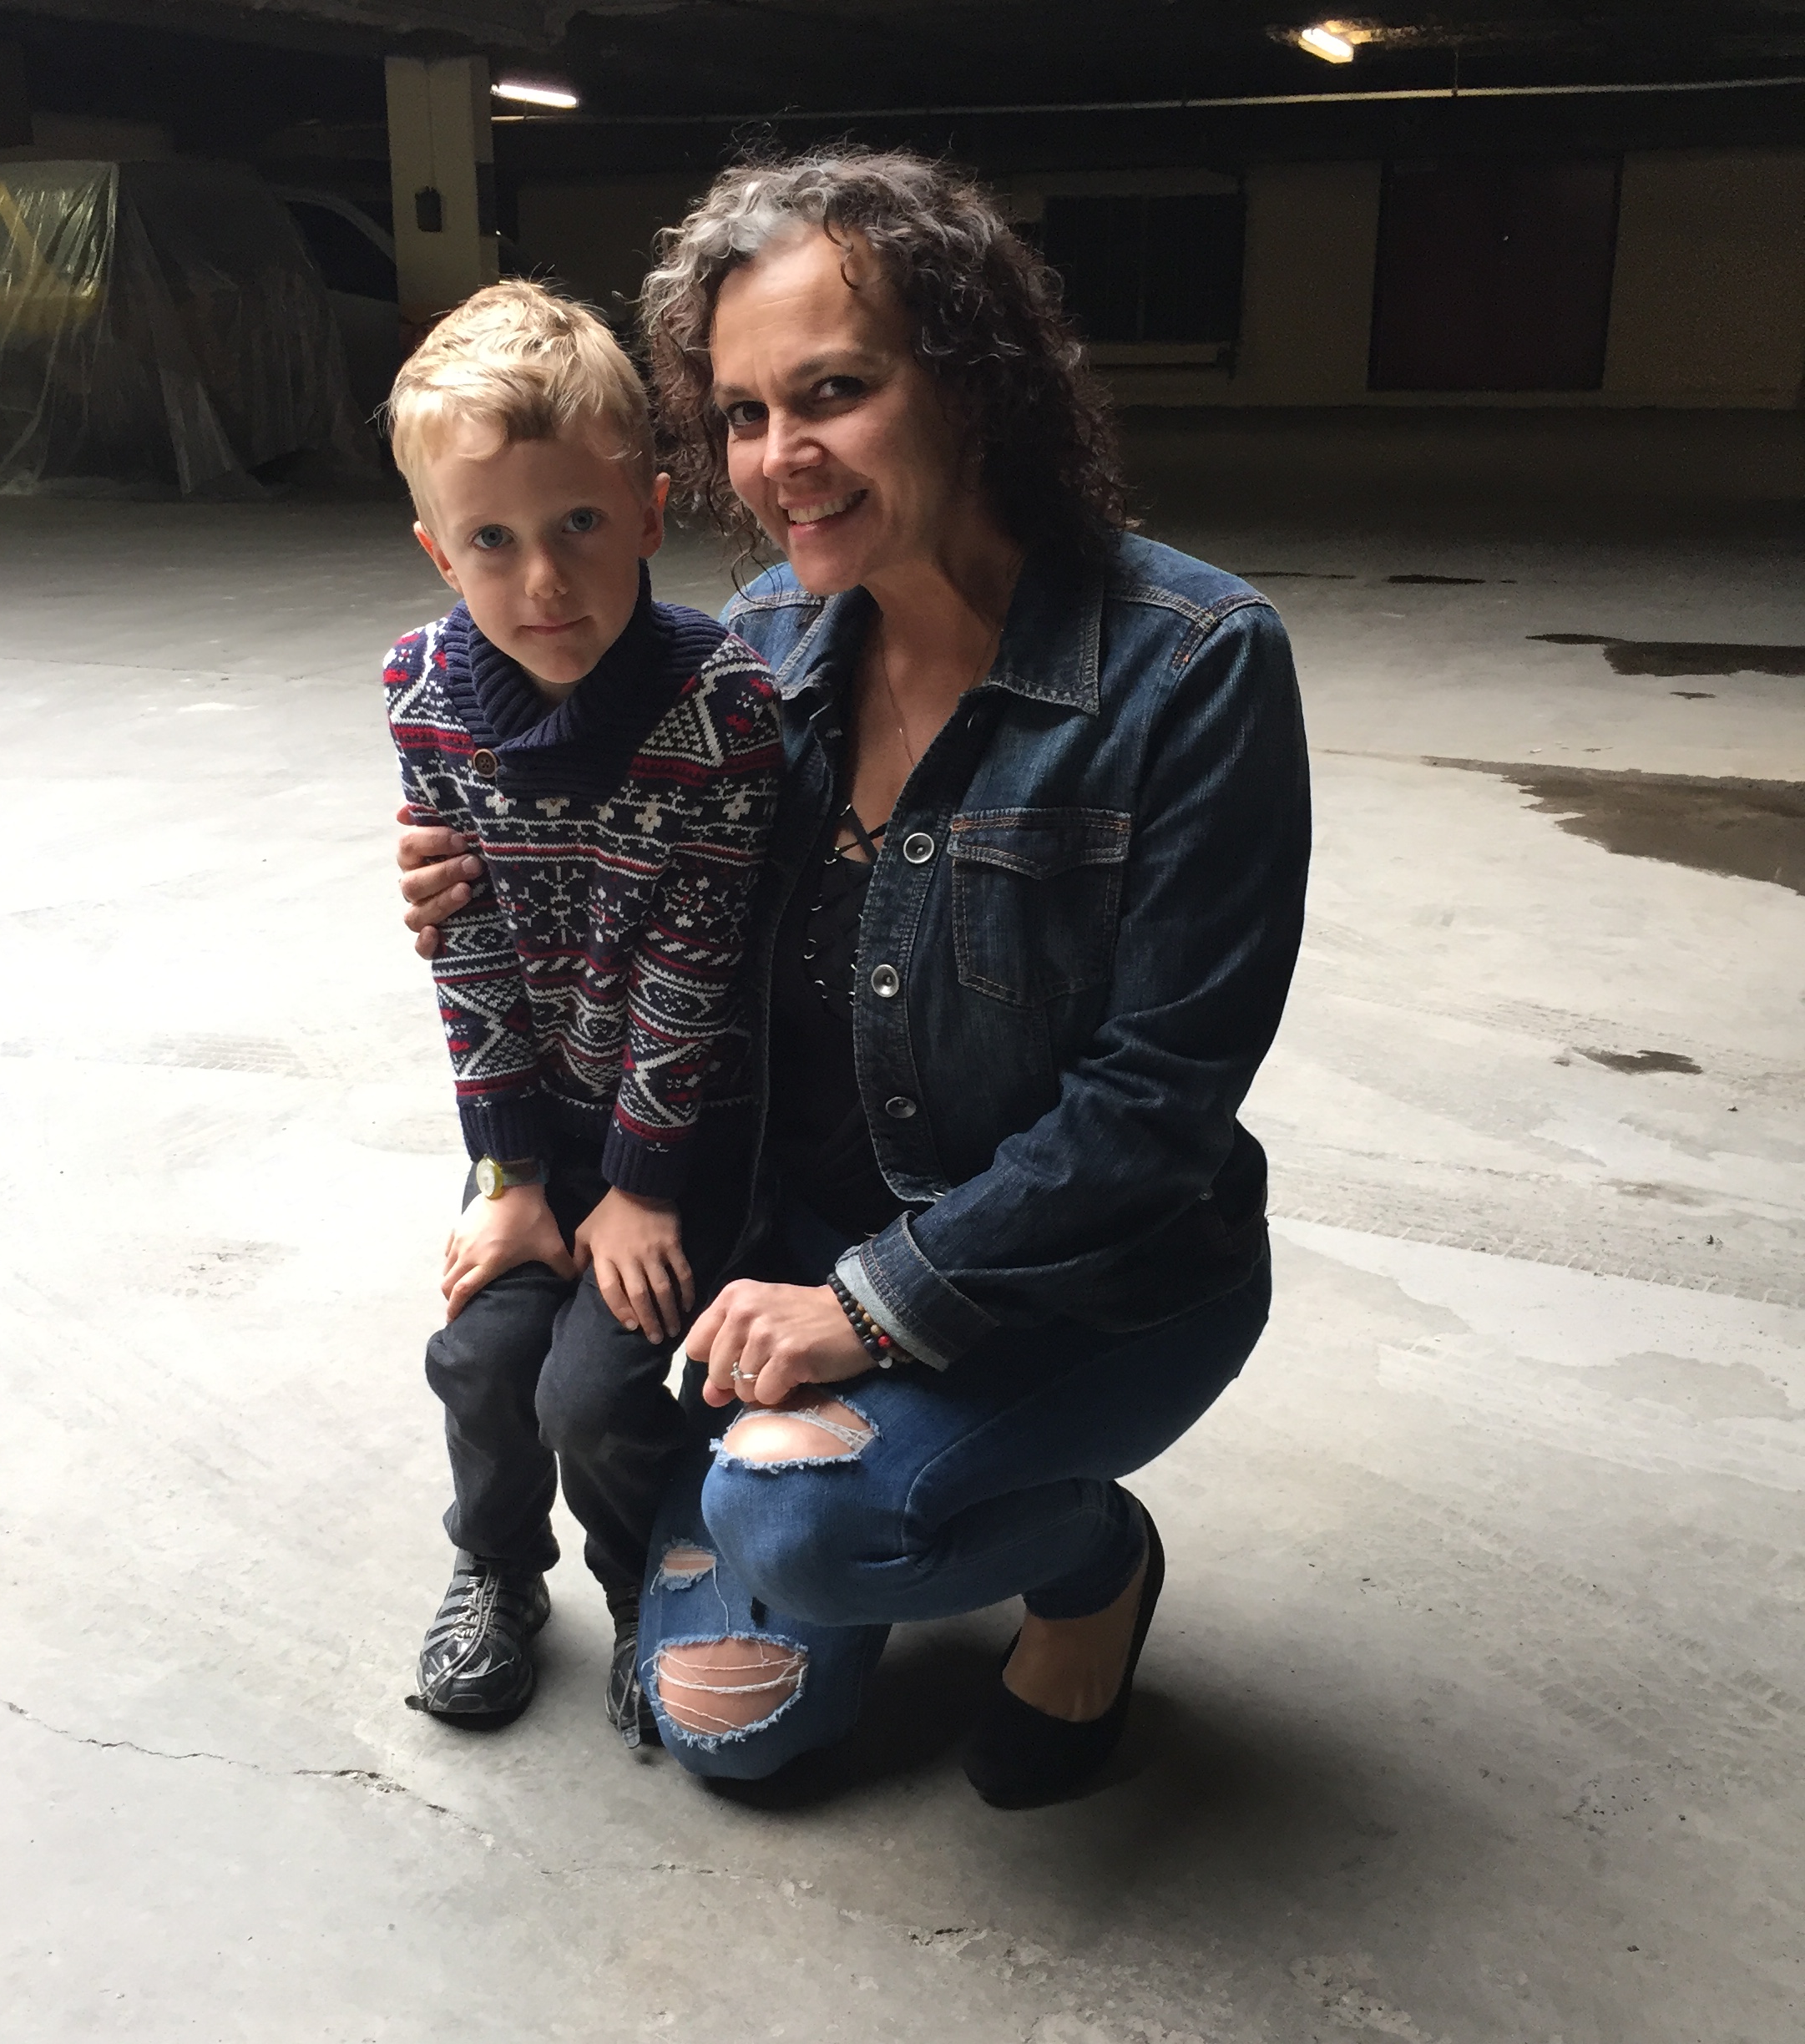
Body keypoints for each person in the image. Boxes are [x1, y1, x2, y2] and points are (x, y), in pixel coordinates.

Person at [397, 152, 1309, 1808]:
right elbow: (608, 883)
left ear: (970, 378)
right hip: (793, 1246)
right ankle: (842, 1498)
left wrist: (862, 1310)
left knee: (801, 1525)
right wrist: (474, 878)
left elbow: (1157, 1105)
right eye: (744, 414)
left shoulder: (1192, 666)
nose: (780, 459)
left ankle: (1087, 1559)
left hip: (1083, 1285)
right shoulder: (759, 649)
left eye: (833, 392)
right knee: (729, 1731)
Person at [382, 281, 781, 1746]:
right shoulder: (421, 690)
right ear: (439, 551)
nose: (543, 579)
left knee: (594, 1395)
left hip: (683, 1130)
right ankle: (497, 1570)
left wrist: (642, 1186)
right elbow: (465, 943)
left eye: (580, 525)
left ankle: (643, 1578)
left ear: (650, 510)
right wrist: (510, 1174)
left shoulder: (722, 706)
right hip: (536, 1127)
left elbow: (695, 965)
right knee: (480, 1356)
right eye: (491, 540)